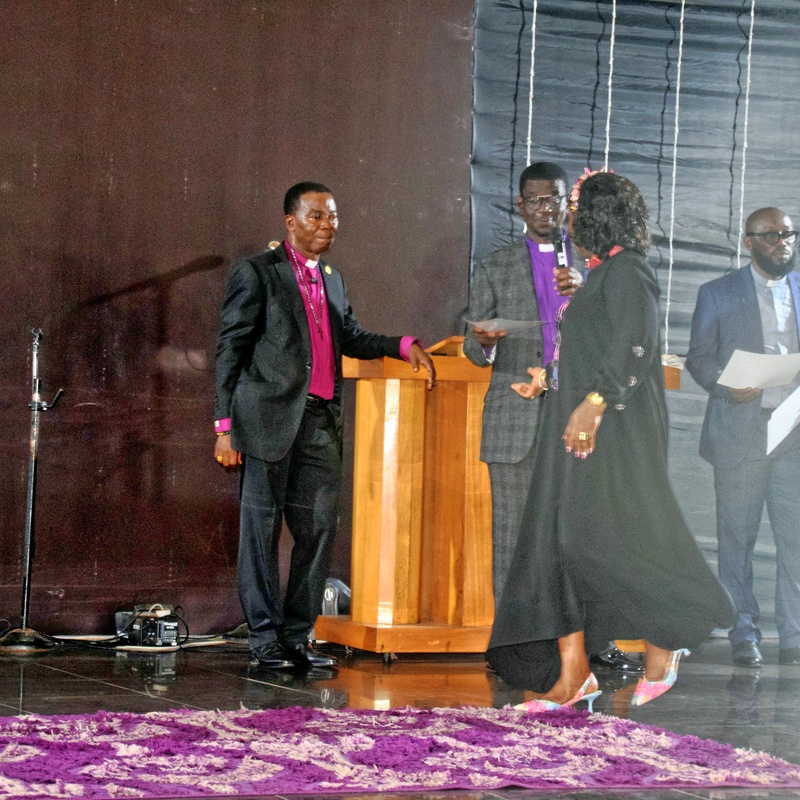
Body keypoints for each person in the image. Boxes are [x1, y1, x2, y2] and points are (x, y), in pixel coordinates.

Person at [486, 172, 734, 710]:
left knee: (605, 539)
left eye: (576, 209)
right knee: (556, 543)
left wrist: (594, 402)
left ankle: (665, 640)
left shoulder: (628, 271)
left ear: (599, 216)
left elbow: (634, 346)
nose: (569, 219)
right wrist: (549, 379)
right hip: (571, 426)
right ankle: (574, 674)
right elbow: (592, 348)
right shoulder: (602, 273)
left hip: (610, 431)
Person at [214, 181, 436, 670]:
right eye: (316, 216)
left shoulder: (333, 279)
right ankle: (264, 640)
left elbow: (351, 337)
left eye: (333, 216)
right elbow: (230, 348)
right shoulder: (258, 272)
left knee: (317, 531)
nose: (327, 225)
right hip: (266, 420)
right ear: (290, 221)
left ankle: (298, 637)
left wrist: (402, 345)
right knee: (261, 534)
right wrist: (224, 427)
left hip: (319, 423)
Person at [463, 161, 582, 606]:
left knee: (576, 534)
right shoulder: (495, 266)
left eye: (554, 199)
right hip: (516, 417)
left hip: (576, 412)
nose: (545, 209)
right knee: (512, 538)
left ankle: (579, 635)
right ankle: (514, 638)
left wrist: (587, 291)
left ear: (567, 202)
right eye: (535, 200)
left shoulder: (589, 264)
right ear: (520, 205)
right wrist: (485, 342)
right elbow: (473, 350)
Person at [686, 207, 800, 669]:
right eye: (771, 235)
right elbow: (699, 358)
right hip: (741, 429)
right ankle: (744, 633)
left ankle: (794, 637)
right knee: (737, 541)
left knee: (796, 541)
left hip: (793, 431)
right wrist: (726, 387)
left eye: (789, 233)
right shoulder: (718, 293)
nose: (783, 242)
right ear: (748, 241)